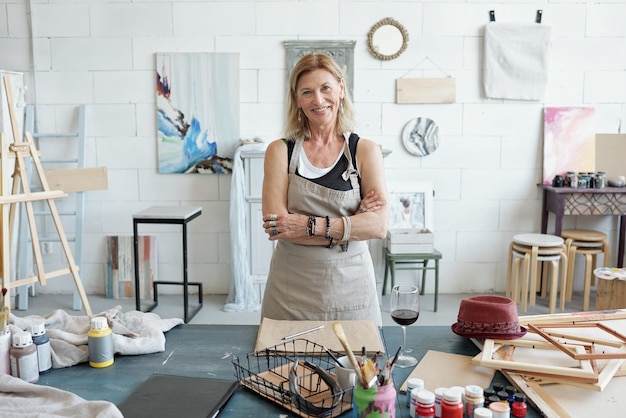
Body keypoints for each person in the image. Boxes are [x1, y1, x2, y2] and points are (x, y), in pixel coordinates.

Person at [260, 52, 388, 326]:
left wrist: (307, 225)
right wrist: (352, 225)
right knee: (283, 367)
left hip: (351, 290)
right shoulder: (280, 151)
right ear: (297, 99)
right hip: (289, 291)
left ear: (341, 89)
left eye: (325, 88)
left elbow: (377, 226)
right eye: (307, 92)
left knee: (357, 367)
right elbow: (277, 227)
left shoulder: (365, 151)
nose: (318, 100)